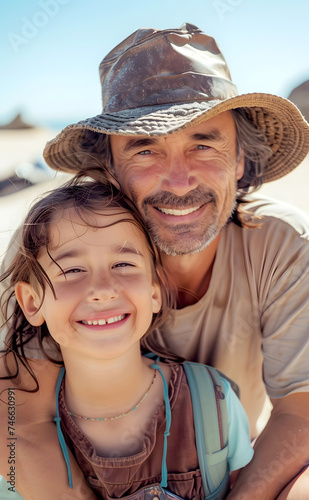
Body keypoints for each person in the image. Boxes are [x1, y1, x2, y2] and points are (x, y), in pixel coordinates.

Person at [1, 22, 309, 499]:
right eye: (145, 147)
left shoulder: (286, 244)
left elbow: (300, 413)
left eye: (204, 143)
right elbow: (17, 414)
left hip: (226, 459)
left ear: (239, 159)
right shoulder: (54, 246)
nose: (179, 181)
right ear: (110, 167)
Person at [0, 179, 253, 499]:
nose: (103, 289)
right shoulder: (16, 438)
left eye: (123, 264)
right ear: (33, 303)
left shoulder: (212, 400)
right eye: (73, 270)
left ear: (154, 292)